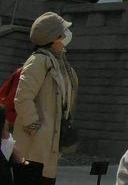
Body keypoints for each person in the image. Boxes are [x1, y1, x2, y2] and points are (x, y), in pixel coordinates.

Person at [12, 12, 79, 185]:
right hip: (33, 148)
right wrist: (36, 128)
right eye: (64, 30)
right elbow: (23, 98)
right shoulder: (38, 61)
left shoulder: (61, 64)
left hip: (50, 147)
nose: (67, 34)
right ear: (55, 37)